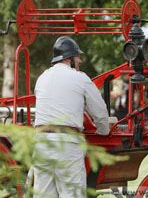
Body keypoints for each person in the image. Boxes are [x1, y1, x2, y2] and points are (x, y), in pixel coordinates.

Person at [32, 36, 110, 197]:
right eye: (78, 57)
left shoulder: (42, 79)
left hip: (41, 144)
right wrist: (103, 131)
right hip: (67, 145)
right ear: (69, 58)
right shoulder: (80, 78)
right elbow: (100, 111)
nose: (80, 61)